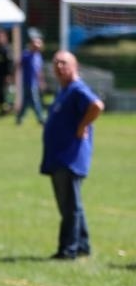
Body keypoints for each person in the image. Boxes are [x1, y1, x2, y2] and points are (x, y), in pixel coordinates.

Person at [40, 51, 104, 260]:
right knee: (72, 204)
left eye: (64, 63)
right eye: (55, 62)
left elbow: (96, 105)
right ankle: (82, 245)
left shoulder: (77, 89)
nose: (59, 66)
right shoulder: (64, 90)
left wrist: (82, 126)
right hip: (60, 157)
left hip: (70, 157)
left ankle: (68, 250)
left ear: (75, 67)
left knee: (69, 206)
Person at [16, 34, 46, 126]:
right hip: (28, 83)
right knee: (36, 101)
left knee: (26, 102)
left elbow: (39, 71)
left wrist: (41, 81)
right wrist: (14, 78)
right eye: (35, 43)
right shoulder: (26, 54)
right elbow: (18, 65)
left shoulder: (38, 56)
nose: (37, 45)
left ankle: (19, 119)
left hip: (35, 83)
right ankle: (41, 118)